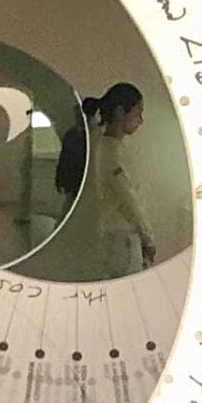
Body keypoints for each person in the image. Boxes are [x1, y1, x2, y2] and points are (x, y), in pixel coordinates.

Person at [54, 82, 155, 276]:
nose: (140, 120)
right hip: (121, 240)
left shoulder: (103, 145)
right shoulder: (111, 152)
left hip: (111, 237)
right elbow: (128, 198)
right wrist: (148, 237)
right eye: (137, 112)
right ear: (119, 112)